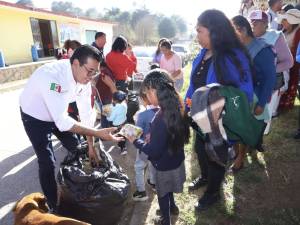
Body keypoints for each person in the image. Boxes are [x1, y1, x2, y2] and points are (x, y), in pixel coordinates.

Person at [19, 45, 123, 212]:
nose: (91, 77)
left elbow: (86, 115)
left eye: (94, 72)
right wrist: (97, 133)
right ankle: (54, 205)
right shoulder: (52, 78)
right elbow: (62, 122)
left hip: (59, 114)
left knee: (77, 148)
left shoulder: (84, 79)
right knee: (47, 162)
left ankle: (77, 190)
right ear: (75, 63)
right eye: (89, 71)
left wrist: (91, 145)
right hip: (35, 117)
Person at [185, 9, 253, 210]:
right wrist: (186, 103)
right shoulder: (204, 52)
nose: (197, 36)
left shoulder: (233, 56)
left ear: (214, 31)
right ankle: (205, 178)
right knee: (200, 148)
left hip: (219, 120)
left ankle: (213, 193)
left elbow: (244, 93)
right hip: (200, 115)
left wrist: (224, 114)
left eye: (199, 31)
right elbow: (193, 83)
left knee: (216, 156)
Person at [126, 69, 190, 225]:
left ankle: (165, 220)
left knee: (163, 193)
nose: (146, 98)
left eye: (147, 93)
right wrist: (153, 137)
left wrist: (134, 139)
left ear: (153, 91)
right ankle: (173, 207)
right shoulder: (177, 106)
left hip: (163, 166)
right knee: (170, 189)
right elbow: (170, 135)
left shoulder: (160, 118)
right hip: (176, 160)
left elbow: (153, 151)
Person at [231, 15, 276, 171]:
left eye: (233, 31)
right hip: (240, 95)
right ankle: (240, 152)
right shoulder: (238, 48)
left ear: (243, 30)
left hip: (255, 96)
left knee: (245, 127)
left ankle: (241, 157)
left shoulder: (262, 50)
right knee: (238, 126)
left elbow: (270, 79)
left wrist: (262, 104)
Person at [249, 9, 293, 132]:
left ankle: (259, 139)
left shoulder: (275, 37)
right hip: (253, 84)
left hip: (271, 84)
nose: (252, 25)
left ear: (265, 23)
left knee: (263, 116)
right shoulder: (248, 38)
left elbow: (288, 62)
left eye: (256, 23)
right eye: (251, 22)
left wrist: (269, 70)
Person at [132, 87, 158, 201]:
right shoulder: (162, 110)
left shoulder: (142, 114)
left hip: (144, 146)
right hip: (157, 146)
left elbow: (137, 132)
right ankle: (153, 183)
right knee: (153, 165)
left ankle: (141, 192)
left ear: (145, 99)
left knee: (139, 167)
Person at [277, 9, 300, 110]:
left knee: (291, 81)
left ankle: (286, 103)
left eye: (284, 20)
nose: (282, 22)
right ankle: (279, 102)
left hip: (294, 62)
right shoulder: (283, 31)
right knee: (282, 82)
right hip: (283, 61)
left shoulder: (298, 32)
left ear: (292, 21)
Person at [107, 90, 128, 155]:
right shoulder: (124, 104)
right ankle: (123, 144)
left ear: (114, 100)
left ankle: (123, 148)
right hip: (124, 122)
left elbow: (110, 119)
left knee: (120, 136)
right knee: (123, 134)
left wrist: (107, 114)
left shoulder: (115, 108)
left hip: (117, 125)